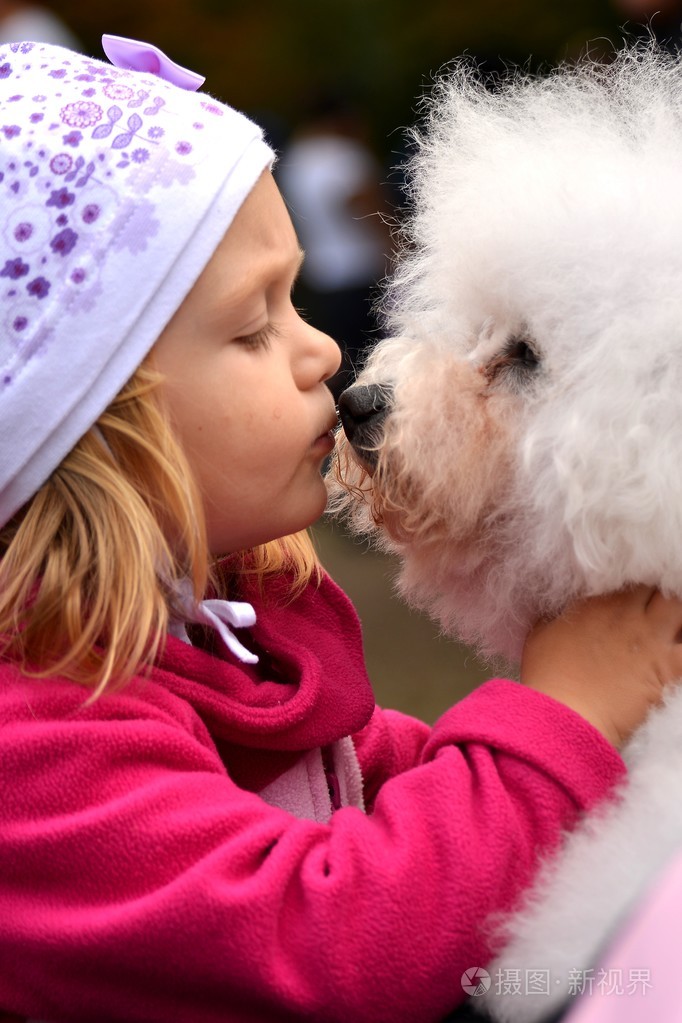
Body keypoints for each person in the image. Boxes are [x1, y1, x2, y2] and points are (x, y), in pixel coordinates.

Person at [1, 35, 682, 1023]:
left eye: (295, 301)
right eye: (252, 328)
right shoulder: (34, 748)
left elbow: (369, 781)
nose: (324, 348)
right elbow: (327, 938)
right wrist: (559, 721)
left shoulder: (203, 635)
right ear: (91, 421)